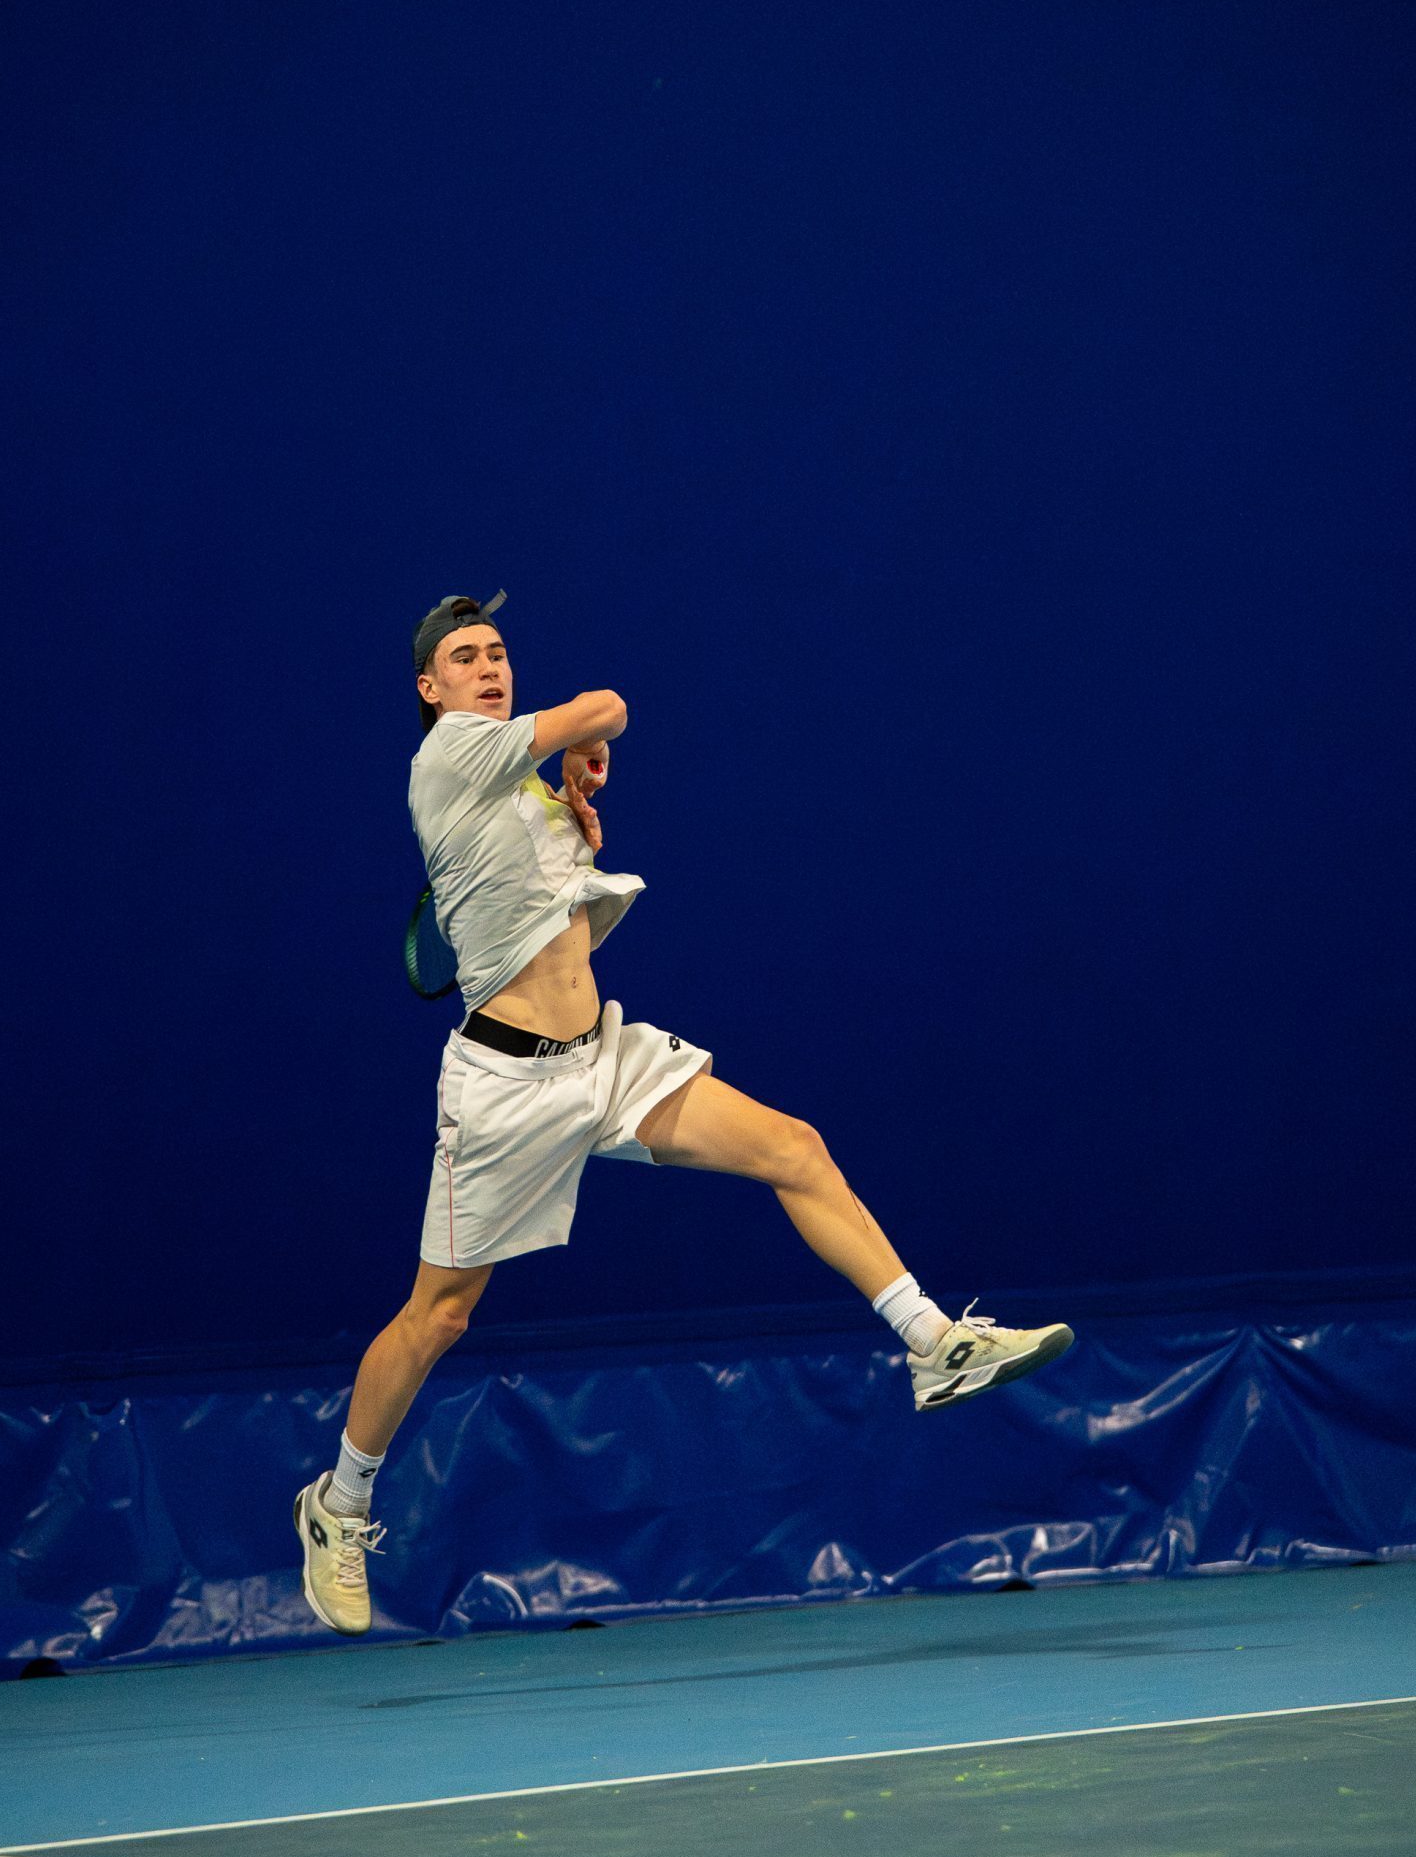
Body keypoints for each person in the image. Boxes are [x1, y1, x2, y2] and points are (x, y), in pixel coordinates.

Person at [293, 591, 1073, 1633]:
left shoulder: (518, 790)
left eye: (498, 652)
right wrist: (585, 736)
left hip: (600, 1060)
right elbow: (605, 706)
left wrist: (571, 803)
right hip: (505, 1090)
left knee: (792, 1147)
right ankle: (338, 1504)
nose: (489, 667)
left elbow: (559, 936)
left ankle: (933, 1342)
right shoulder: (446, 758)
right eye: (465, 657)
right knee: (439, 1315)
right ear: (429, 688)